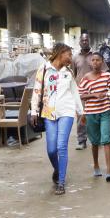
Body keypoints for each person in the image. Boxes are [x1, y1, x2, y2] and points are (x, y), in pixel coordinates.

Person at [30, 43, 84, 196]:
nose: (70, 58)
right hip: (49, 113)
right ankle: (58, 169)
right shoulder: (44, 69)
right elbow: (36, 91)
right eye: (68, 54)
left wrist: (81, 112)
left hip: (66, 112)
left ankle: (61, 182)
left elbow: (75, 92)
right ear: (61, 53)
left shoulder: (68, 72)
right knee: (51, 149)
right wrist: (34, 111)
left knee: (61, 146)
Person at [79, 52, 110, 182]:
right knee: (94, 142)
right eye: (93, 60)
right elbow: (81, 95)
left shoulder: (107, 76)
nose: (95, 62)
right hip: (91, 113)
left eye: (98, 60)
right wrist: (94, 95)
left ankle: (109, 170)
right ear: (90, 63)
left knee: (106, 139)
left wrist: (108, 93)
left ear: (102, 62)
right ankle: (96, 165)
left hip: (105, 110)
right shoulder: (85, 78)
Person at [72, 33, 94, 149]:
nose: (85, 42)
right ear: (80, 42)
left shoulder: (95, 56)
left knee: (94, 116)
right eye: (83, 40)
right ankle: (81, 141)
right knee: (81, 116)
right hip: (80, 92)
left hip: (94, 91)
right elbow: (74, 74)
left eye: (86, 40)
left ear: (89, 41)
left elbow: (103, 72)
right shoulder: (75, 58)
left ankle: (95, 139)